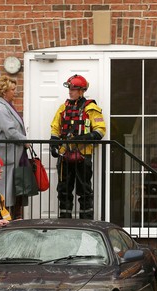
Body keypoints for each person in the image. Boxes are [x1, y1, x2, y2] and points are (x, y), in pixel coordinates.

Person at [49, 74, 106, 219]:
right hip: (64, 155)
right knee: (64, 189)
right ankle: (64, 220)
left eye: (73, 89)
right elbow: (55, 127)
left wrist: (82, 139)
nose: (70, 92)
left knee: (84, 189)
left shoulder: (91, 108)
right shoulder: (63, 108)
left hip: (83, 154)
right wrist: (53, 144)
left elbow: (100, 131)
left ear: (81, 91)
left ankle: (86, 222)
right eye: (70, 89)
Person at [0, 75, 29, 220]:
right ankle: (6, 220)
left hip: (10, 156)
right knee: (6, 191)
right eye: (13, 89)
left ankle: (14, 218)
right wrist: (25, 140)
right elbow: (10, 132)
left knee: (13, 191)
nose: (15, 92)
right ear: (4, 92)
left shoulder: (5, 106)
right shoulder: (0, 109)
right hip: (5, 157)